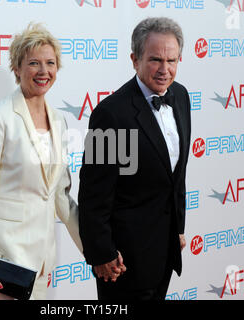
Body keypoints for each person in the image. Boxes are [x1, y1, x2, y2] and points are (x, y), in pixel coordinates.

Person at [0, 23, 82, 300]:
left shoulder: (60, 120)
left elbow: (60, 197)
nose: (43, 71)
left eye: (50, 63)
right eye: (34, 63)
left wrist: (96, 251)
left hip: (42, 258)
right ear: (17, 68)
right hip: (6, 259)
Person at [78, 17, 191, 300]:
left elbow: (175, 175)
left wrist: (177, 227)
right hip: (123, 262)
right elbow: (94, 193)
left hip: (165, 251)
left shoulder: (181, 96)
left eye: (172, 60)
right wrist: (101, 252)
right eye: (155, 60)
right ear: (134, 59)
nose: (165, 70)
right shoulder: (112, 114)